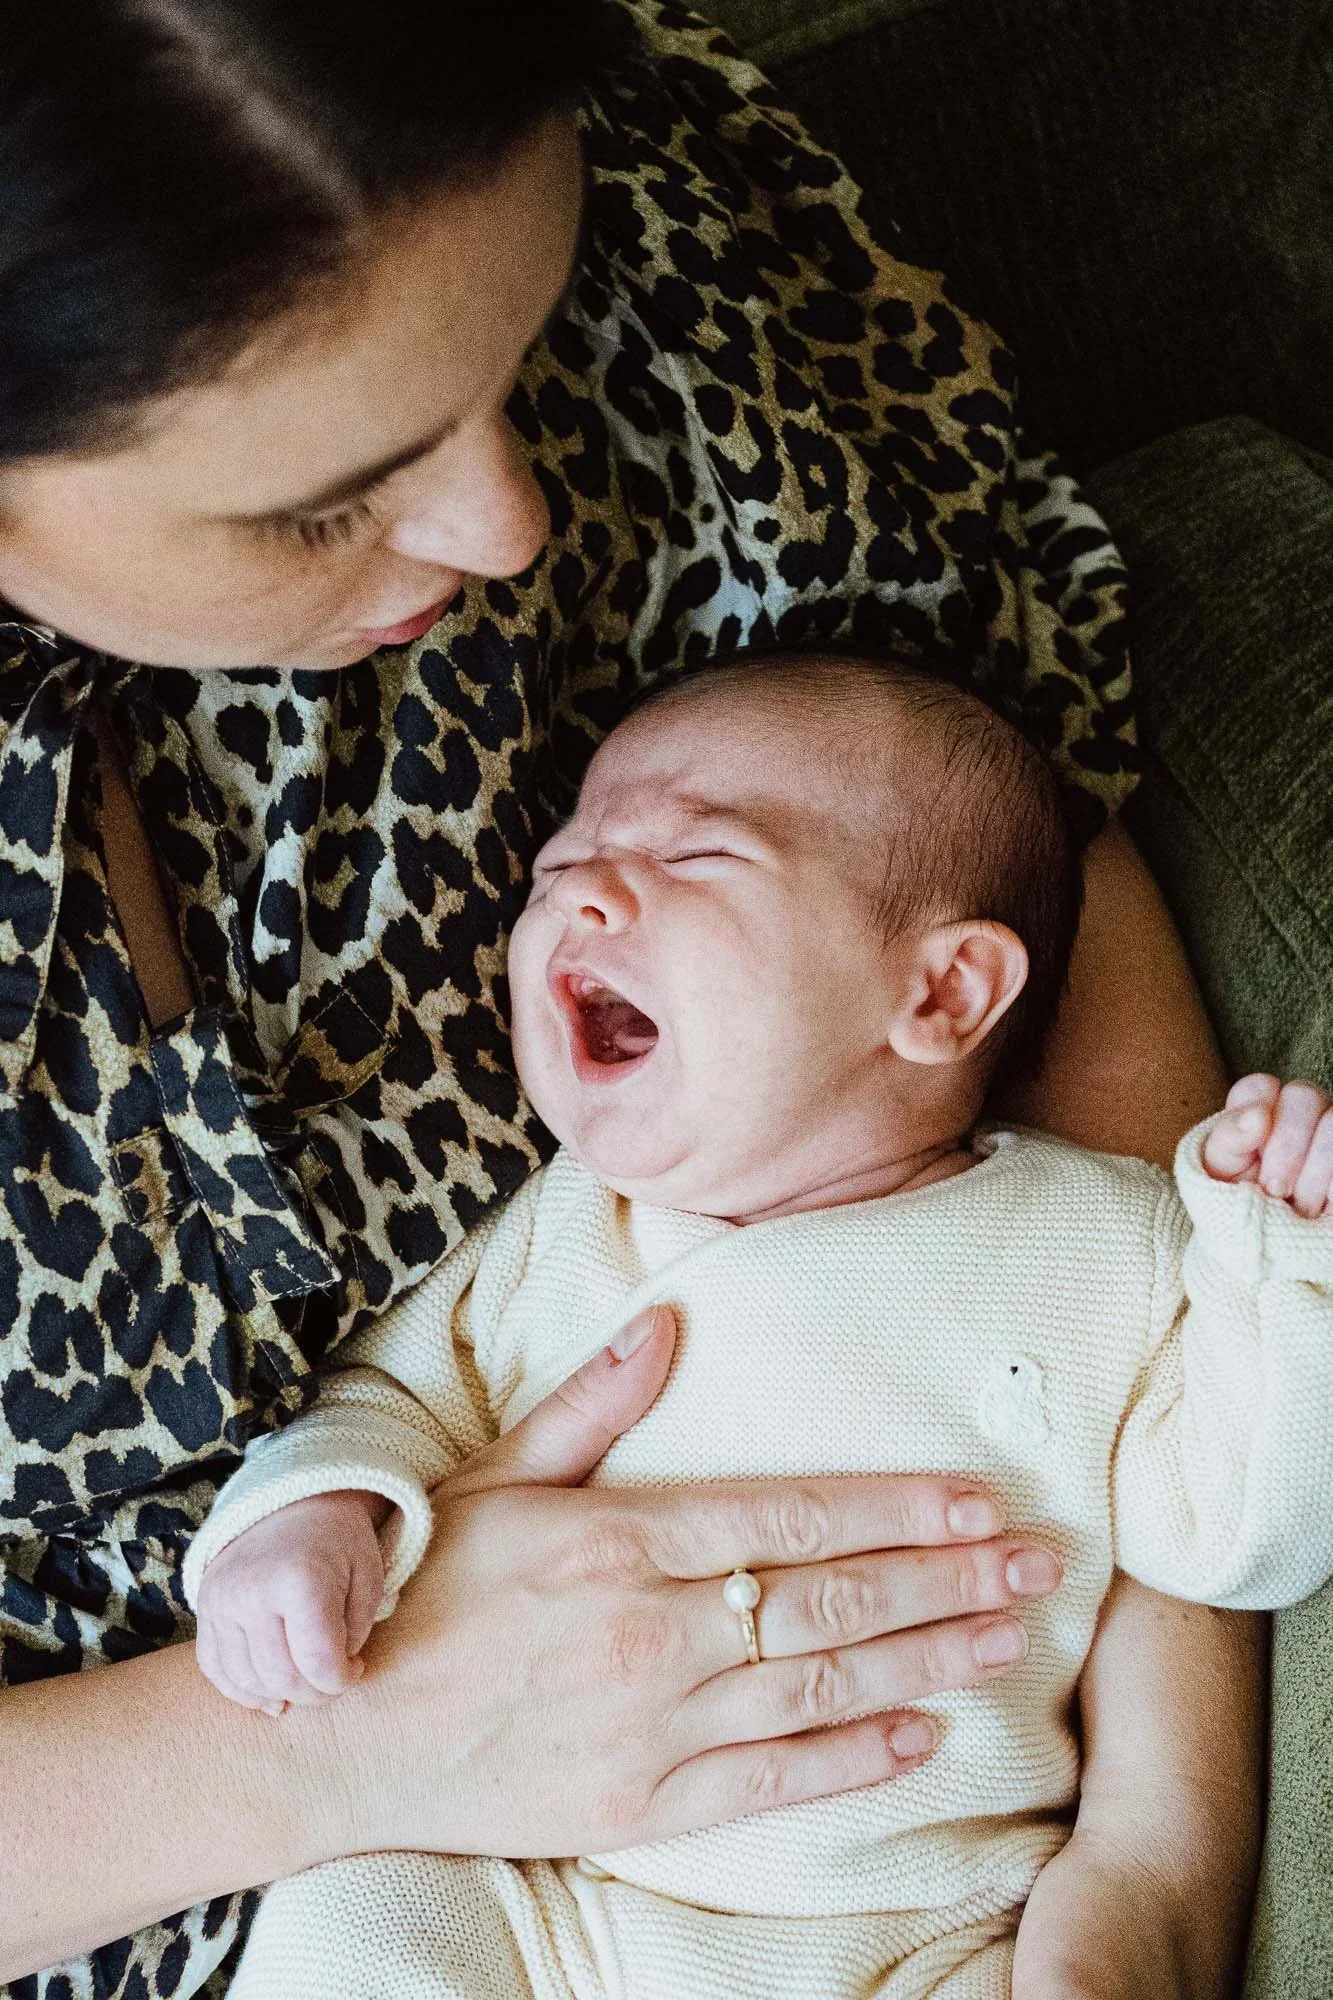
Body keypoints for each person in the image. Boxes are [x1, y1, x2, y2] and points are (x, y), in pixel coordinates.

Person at [0, 3, 1261, 1996]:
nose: (509, 530)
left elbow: (1003, 864)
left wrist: (1150, 1862)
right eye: (333, 493)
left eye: (518, 346)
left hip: (916, 1843)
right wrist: (337, 1750)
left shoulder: (650, 233)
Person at [186, 655, 1332, 2000]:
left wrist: (1282, 1273)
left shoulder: (1115, 1245)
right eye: (563, 865)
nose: (584, 891)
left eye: (699, 854)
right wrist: (309, 1520)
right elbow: (388, 1401)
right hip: (550, 1910)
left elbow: (1241, 1535)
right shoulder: (563, 1231)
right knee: (357, 1926)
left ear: (945, 994)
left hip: (919, 1921)